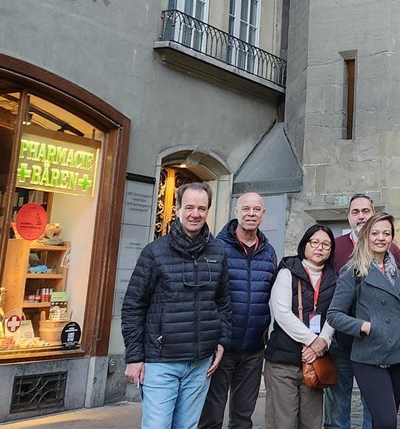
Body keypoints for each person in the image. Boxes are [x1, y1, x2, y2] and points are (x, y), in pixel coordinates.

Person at [122, 182, 230, 429]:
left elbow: (223, 302)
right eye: (189, 207)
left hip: (201, 362)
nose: (195, 214)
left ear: (207, 211)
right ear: (178, 209)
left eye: (201, 208)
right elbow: (133, 306)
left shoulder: (218, 252)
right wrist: (134, 357)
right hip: (161, 362)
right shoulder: (154, 253)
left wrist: (222, 340)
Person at [200, 193, 278, 429]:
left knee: (243, 418)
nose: (251, 214)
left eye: (256, 210)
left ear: (263, 214)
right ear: (236, 211)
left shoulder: (269, 252)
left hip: (254, 349)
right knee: (211, 416)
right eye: (246, 209)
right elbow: (206, 295)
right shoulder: (215, 246)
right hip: (221, 347)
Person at [327, 212, 400, 429]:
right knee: (385, 421)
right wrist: (363, 326)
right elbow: (334, 314)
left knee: (388, 420)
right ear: (366, 236)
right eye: (375, 233)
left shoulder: (397, 272)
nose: (380, 238)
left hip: (398, 356)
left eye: (386, 233)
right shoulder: (353, 271)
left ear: (392, 237)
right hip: (369, 355)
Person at [266, 224, 338, 429]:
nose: (320, 247)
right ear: (304, 244)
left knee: (311, 423)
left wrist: (322, 343)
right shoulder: (288, 272)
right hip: (284, 360)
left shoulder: (333, 278)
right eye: (314, 242)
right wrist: (313, 341)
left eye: (326, 244)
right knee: (283, 422)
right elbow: (282, 313)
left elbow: (335, 313)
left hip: (315, 363)